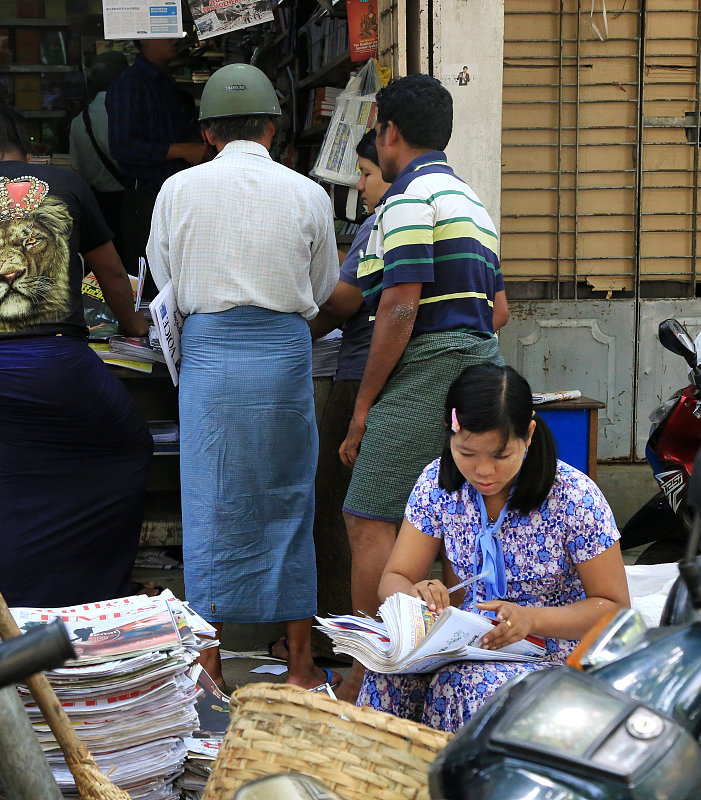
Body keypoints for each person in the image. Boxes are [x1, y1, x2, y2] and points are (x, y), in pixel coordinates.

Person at [147, 64, 340, 693]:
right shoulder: (308, 194)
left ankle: (210, 664)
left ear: (207, 132)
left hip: (210, 359)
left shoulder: (177, 190)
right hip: (284, 359)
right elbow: (322, 288)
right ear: (272, 129)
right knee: (291, 502)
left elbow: (164, 276)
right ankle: (300, 664)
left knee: (210, 505)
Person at [310, 127, 511, 699]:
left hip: (425, 368)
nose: (363, 180)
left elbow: (400, 305)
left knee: (367, 515)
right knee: (454, 517)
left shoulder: (408, 198)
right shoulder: (471, 202)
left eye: (368, 164)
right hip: (480, 363)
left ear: (391, 134)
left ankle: (369, 672)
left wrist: (364, 407)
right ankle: (443, 659)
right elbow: (497, 311)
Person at [0, 102, 152, 608]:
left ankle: (22, 609)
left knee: (11, 489)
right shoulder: (66, 185)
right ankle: (99, 590)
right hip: (60, 363)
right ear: (30, 151)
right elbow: (111, 272)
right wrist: (135, 324)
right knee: (129, 447)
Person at [359, 364, 630, 732]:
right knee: (387, 673)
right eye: (466, 453)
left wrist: (532, 619)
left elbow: (614, 608)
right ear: (450, 434)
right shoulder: (438, 486)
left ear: (528, 434)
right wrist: (416, 596)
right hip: (469, 644)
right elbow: (394, 577)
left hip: (555, 652)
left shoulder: (574, 497)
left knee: (468, 686)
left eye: (501, 455)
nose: (483, 471)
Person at [106, 38, 211, 290]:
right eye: (167, 30)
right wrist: (182, 150)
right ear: (144, 38)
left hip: (178, 197)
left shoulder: (166, 84)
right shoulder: (129, 83)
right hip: (146, 197)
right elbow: (122, 146)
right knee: (148, 281)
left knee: (181, 274)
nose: (176, 37)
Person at [69, 51, 130, 251]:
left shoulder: (79, 121)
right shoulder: (127, 116)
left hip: (95, 205)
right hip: (126, 202)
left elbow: (76, 167)